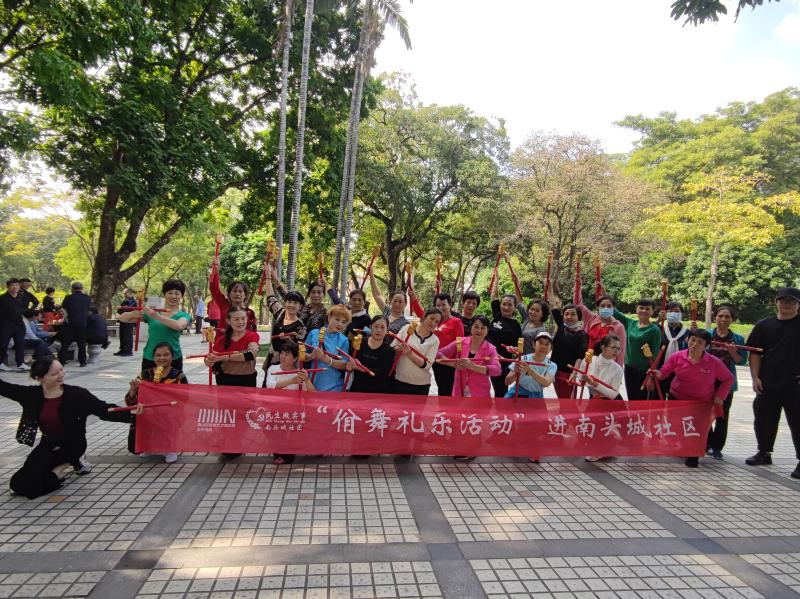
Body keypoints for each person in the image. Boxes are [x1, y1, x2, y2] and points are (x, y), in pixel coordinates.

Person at [0, 357, 142, 499]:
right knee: (18, 483)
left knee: (39, 484)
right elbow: (4, 387)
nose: (61, 375)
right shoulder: (31, 395)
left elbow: (104, 410)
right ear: (39, 378)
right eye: (54, 373)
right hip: (48, 444)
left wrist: (130, 413)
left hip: (73, 444)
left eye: (61, 370)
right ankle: (62, 467)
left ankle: (65, 465)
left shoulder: (77, 395)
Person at [651, 329, 733, 468]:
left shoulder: (714, 362)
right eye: (692, 340)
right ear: (687, 340)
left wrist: (720, 396)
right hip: (677, 398)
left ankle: (693, 455)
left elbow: (728, 379)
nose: (695, 344)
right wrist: (656, 374)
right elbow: (664, 372)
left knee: (698, 429)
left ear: (706, 345)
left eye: (700, 342)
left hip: (701, 402)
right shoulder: (677, 357)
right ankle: (687, 447)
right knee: (678, 426)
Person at [744, 287, 800, 479]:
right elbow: (755, 353)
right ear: (776, 302)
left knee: (798, 423)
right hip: (767, 382)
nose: (786, 304)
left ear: (798, 305)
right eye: (783, 300)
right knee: (763, 419)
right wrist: (755, 377)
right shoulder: (764, 325)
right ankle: (764, 452)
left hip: (795, 385)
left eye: (791, 301)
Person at [123, 342, 188, 463]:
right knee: (133, 446)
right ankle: (148, 446)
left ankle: (170, 448)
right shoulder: (143, 375)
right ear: (153, 358)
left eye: (166, 354)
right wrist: (133, 390)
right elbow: (130, 403)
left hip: (169, 414)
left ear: (172, 357)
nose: (162, 358)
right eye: (158, 355)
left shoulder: (179, 376)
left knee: (168, 418)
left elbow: (185, 398)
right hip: (148, 413)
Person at [117, 279, 191, 371]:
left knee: (173, 381)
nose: (173, 296)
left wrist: (156, 316)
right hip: (150, 357)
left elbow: (179, 326)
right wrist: (135, 313)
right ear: (164, 294)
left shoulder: (183, 315)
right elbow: (122, 318)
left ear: (181, 296)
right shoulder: (153, 312)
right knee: (147, 381)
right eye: (170, 293)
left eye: (177, 293)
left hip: (173, 358)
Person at [706, 305, 747, 460]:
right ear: (715, 317)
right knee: (704, 413)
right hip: (706, 381)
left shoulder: (738, 339)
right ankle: (707, 443)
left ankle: (717, 447)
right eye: (720, 316)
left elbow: (741, 361)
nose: (723, 319)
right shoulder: (707, 335)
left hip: (726, 383)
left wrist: (732, 351)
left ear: (732, 320)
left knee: (722, 415)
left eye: (727, 316)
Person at [265, 340, 315, 465]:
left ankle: (287, 455)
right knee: (270, 429)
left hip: (293, 410)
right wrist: (292, 380)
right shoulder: (273, 368)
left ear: (295, 358)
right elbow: (270, 385)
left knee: (291, 432)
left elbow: (312, 393)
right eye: (282, 353)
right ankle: (278, 452)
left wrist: (306, 379)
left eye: (287, 354)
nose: (283, 356)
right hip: (275, 408)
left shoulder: (300, 372)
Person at [409, 291, 465, 396]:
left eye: (443, 305)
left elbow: (460, 343)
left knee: (448, 392)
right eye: (438, 305)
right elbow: (421, 314)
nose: (440, 308)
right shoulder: (435, 322)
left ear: (450, 305)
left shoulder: (456, 322)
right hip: (436, 361)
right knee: (442, 389)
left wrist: (458, 361)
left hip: (449, 363)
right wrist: (413, 297)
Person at [261, 265, 308, 385]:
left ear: (300, 307)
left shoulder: (301, 327)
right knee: (268, 387)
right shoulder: (280, 313)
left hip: (287, 364)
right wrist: (268, 277)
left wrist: (288, 340)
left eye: (295, 303)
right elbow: (270, 297)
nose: (291, 305)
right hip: (272, 358)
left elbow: (299, 349)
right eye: (289, 301)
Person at [436, 315, 501, 398]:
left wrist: (473, 366)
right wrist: (453, 364)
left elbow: (497, 370)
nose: (479, 330)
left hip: (480, 394)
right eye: (476, 327)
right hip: (459, 391)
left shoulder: (490, 349)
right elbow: (438, 354)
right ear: (471, 327)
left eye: (483, 328)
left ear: (487, 331)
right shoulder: (460, 342)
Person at [614, 299, 661, 400]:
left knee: (641, 400)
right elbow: (615, 313)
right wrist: (603, 294)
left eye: (647, 309)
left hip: (644, 371)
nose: (644, 311)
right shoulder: (630, 323)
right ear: (636, 309)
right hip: (629, 368)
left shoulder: (654, 330)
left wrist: (651, 377)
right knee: (631, 398)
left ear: (652, 311)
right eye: (641, 308)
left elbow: (656, 354)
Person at [390, 308, 441, 396]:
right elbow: (392, 349)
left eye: (437, 322)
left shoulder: (435, 340)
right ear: (424, 317)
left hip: (421, 385)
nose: (433, 323)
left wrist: (410, 354)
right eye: (432, 318)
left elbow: (427, 365)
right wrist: (398, 348)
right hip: (401, 380)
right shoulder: (407, 328)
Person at [206, 306, 261, 387]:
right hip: (224, 379)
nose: (240, 322)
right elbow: (211, 357)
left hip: (247, 379)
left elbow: (251, 354)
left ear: (247, 319)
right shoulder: (221, 340)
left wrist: (224, 357)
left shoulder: (253, 336)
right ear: (228, 321)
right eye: (236, 319)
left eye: (243, 318)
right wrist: (208, 361)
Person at [303, 305, 352, 392]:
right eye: (337, 319)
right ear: (329, 317)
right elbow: (302, 356)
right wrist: (311, 356)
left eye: (344, 322)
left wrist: (326, 359)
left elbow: (344, 365)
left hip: (335, 388)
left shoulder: (344, 340)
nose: (340, 324)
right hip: (312, 384)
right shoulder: (314, 333)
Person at [574, 291, 627, 368]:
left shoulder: (618, 327)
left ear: (613, 308)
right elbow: (578, 305)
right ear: (598, 307)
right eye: (602, 306)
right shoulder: (592, 318)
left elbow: (621, 351)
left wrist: (618, 370)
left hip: (606, 366)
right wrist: (578, 285)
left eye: (609, 306)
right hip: (588, 362)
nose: (606, 308)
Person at [549, 297, 588, 398]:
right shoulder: (561, 327)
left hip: (568, 374)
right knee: (560, 398)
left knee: (568, 401)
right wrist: (549, 290)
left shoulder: (582, 335)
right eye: (566, 314)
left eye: (573, 314)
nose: (569, 316)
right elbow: (553, 307)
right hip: (554, 370)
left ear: (579, 317)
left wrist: (574, 374)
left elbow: (580, 357)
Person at [488, 285, 523, 398]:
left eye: (509, 305)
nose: (506, 307)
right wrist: (496, 279)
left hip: (502, 362)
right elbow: (494, 296)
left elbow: (519, 348)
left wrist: (514, 349)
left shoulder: (515, 325)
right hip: (488, 358)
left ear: (514, 307)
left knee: (500, 391)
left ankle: (500, 409)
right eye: (504, 304)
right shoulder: (497, 315)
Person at [347, 315, 395, 393]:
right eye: (376, 326)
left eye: (382, 327)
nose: (379, 330)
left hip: (378, 392)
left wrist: (362, 368)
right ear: (370, 327)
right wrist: (350, 366)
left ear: (387, 330)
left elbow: (383, 373)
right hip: (357, 389)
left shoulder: (389, 350)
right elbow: (350, 362)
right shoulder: (360, 342)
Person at [504, 331, 557, 399]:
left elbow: (547, 382)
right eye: (540, 343)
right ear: (534, 345)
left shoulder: (552, 365)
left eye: (547, 344)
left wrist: (529, 371)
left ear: (551, 349)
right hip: (518, 393)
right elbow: (507, 382)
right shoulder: (522, 359)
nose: (543, 346)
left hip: (537, 396)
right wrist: (515, 374)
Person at [209, 257, 258, 331]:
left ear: (245, 295)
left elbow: (253, 334)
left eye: (240, 291)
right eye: (234, 291)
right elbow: (214, 289)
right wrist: (216, 271)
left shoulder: (249, 313)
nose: (237, 294)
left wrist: (231, 333)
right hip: (222, 339)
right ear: (229, 294)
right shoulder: (224, 305)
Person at [659, 301, 691, 396]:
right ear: (665, 313)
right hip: (660, 371)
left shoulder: (688, 333)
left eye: (677, 311)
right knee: (658, 398)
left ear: (682, 314)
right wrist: (658, 320)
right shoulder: (659, 329)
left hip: (680, 373)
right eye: (670, 311)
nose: (673, 314)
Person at [58, 282, 91, 367]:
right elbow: (87, 309)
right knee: (81, 343)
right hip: (82, 323)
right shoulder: (87, 298)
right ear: (82, 289)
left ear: (72, 289)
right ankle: (82, 362)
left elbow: (63, 309)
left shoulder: (68, 297)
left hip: (70, 323)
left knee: (66, 343)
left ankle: (61, 361)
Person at [0, 279, 28, 372]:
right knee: (3, 345)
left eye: (16, 285)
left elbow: (23, 310)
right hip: (5, 325)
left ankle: (20, 363)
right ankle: (0, 364)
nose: (14, 287)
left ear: (19, 286)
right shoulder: (2, 298)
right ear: (8, 287)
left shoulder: (20, 297)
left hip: (19, 325)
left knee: (20, 344)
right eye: (12, 285)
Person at [116, 288, 138, 356]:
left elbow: (128, 309)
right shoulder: (125, 301)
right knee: (122, 336)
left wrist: (122, 308)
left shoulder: (133, 301)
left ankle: (128, 351)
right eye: (124, 293)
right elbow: (119, 311)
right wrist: (122, 308)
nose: (124, 295)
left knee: (127, 336)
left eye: (125, 293)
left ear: (129, 293)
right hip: (123, 320)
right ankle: (122, 349)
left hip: (129, 321)